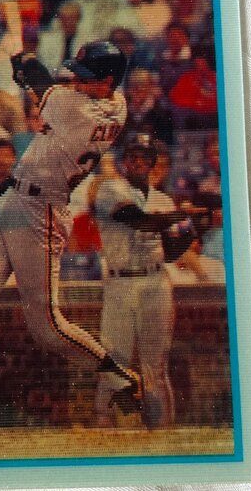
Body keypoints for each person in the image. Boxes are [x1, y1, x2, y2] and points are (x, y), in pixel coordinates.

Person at [0, 41, 146, 414]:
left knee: (48, 328)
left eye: (87, 78)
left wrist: (24, 62)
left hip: (44, 209)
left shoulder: (79, 109)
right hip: (15, 198)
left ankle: (120, 376)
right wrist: (27, 72)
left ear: (107, 81)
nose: (78, 82)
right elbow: (46, 87)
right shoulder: (116, 105)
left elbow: (42, 82)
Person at [92, 134, 193, 428]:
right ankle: (105, 429)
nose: (138, 162)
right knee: (114, 361)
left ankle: (160, 433)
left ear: (152, 163)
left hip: (155, 282)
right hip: (120, 283)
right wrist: (178, 217)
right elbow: (138, 220)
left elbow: (172, 251)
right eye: (132, 156)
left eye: (144, 157)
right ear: (124, 161)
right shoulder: (110, 189)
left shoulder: (163, 200)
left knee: (155, 366)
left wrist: (187, 232)